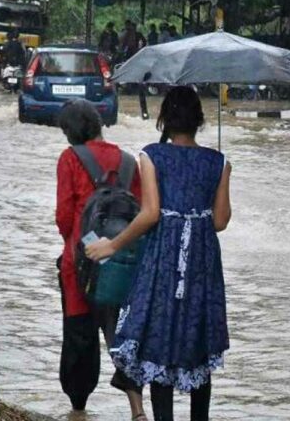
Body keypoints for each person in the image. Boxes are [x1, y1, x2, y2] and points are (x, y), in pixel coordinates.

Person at [86, 86, 232, 421]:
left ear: (165, 119)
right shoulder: (219, 162)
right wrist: (218, 174)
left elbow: (151, 213)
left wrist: (111, 244)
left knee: (158, 340)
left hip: (163, 259)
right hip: (202, 262)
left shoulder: (151, 155)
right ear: (199, 120)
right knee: (197, 339)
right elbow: (221, 221)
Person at [55, 100, 147, 421]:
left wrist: (75, 244)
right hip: (121, 263)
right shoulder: (128, 162)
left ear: (71, 132)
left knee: (80, 337)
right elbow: (140, 214)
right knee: (120, 334)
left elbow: (64, 217)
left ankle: (78, 410)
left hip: (79, 264)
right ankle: (138, 411)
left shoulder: (69, 159)